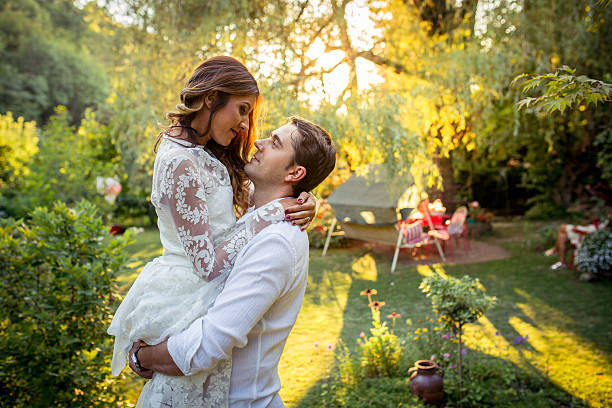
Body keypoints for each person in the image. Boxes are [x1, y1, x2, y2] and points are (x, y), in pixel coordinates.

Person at [107, 56, 317, 406]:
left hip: (208, 290)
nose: (246, 123)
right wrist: (269, 214)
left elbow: (251, 200)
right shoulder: (179, 161)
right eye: (242, 109)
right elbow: (206, 265)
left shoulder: (206, 152)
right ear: (211, 97)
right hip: (190, 291)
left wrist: (306, 198)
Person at [128, 116, 337, 407]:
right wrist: (306, 198)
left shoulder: (277, 242)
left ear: (295, 172)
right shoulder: (255, 215)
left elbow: (209, 344)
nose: (260, 143)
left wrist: (142, 357)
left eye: (275, 142)